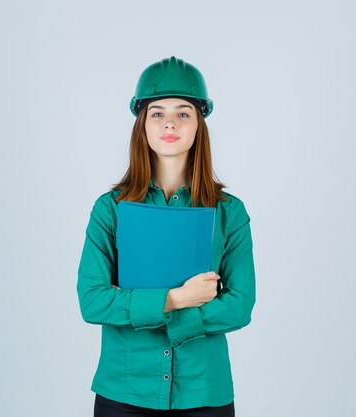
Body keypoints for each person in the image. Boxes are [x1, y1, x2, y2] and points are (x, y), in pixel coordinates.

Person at [76, 56, 256, 417]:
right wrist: (179, 299)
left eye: (183, 112)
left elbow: (239, 306)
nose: (170, 122)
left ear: (199, 124)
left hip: (204, 393)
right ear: (142, 124)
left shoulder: (229, 211)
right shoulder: (110, 209)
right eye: (157, 113)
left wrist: (134, 304)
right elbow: (93, 301)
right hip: (124, 392)